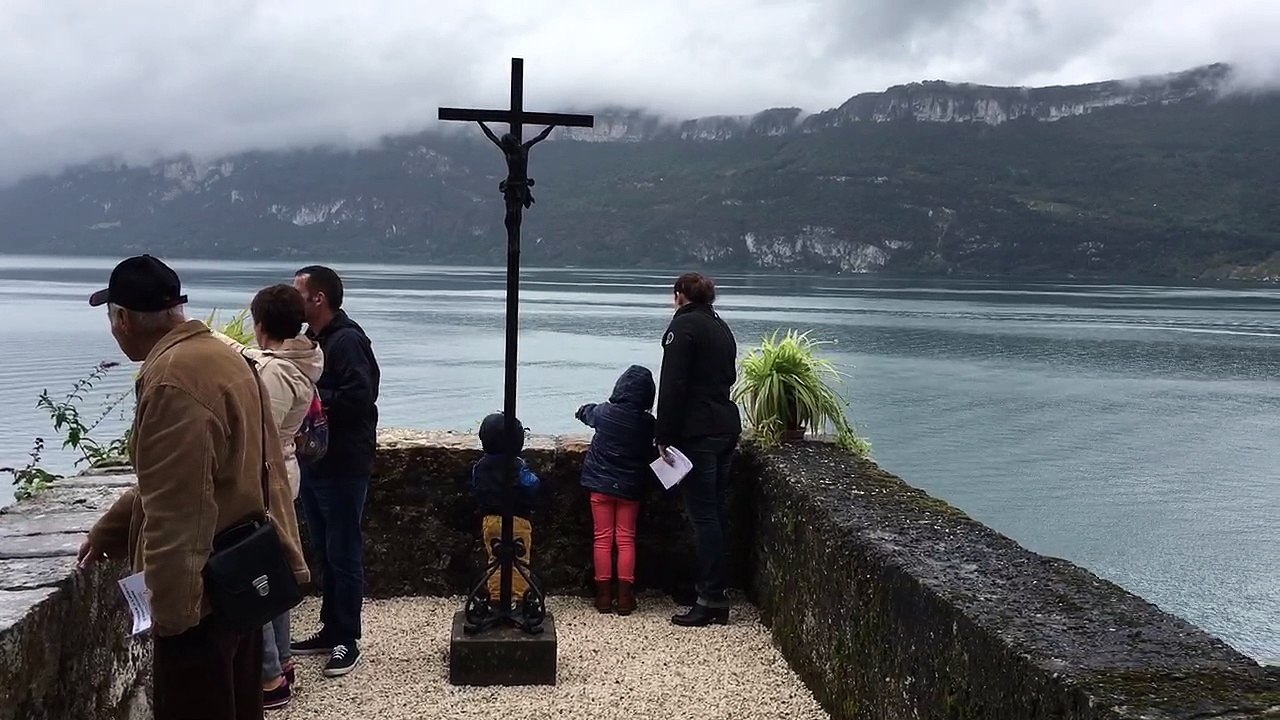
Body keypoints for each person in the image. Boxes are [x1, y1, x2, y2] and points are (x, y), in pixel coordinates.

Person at [77, 255, 309, 720]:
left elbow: (177, 508)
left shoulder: (173, 381)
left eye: (112, 319)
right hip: (238, 577)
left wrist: (173, 617)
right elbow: (194, 475)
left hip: (202, 600)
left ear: (124, 320)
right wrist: (110, 531)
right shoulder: (225, 359)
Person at [212, 284, 323, 710]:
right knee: (271, 570)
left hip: (265, 479)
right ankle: (282, 661)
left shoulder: (277, 374)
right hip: (282, 475)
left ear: (260, 324)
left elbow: (261, 432)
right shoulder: (296, 361)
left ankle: (270, 674)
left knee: (252, 576)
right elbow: (253, 357)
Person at [289, 266, 380, 678]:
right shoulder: (313, 340)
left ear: (319, 298)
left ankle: (347, 638)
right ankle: (330, 628)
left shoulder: (347, 341)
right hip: (316, 461)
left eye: (299, 293)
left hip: (344, 463)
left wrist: (310, 399)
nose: (294, 300)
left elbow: (361, 396)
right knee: (325, 549)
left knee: (343, 551)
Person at [655, 272, 742, 627]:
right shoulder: (721, 327)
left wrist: (663, 434)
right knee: (716, 512)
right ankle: (715, 591)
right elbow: (729, 377)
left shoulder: (683, 328)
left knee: (703, 516)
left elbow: (672, 384)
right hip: (725, 426)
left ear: (679, 295)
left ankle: (710, 597)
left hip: (698, 432)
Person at [575, 365, 657, 616]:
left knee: (602, 538)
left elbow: (585, 412)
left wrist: (582, 410)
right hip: (629, 488)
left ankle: (603, 596)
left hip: (600, 485)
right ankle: (624, 597)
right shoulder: (647, 423)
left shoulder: (604, 412)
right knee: (625, 538)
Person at [470, 412, 541, 607]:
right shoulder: (516, 465)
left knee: (495, 559)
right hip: (517, 519)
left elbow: (476, 486)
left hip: (490, 519)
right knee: (519, 560)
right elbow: (531, 485)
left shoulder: (480, 466)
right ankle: (517, 599)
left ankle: (495, 598)